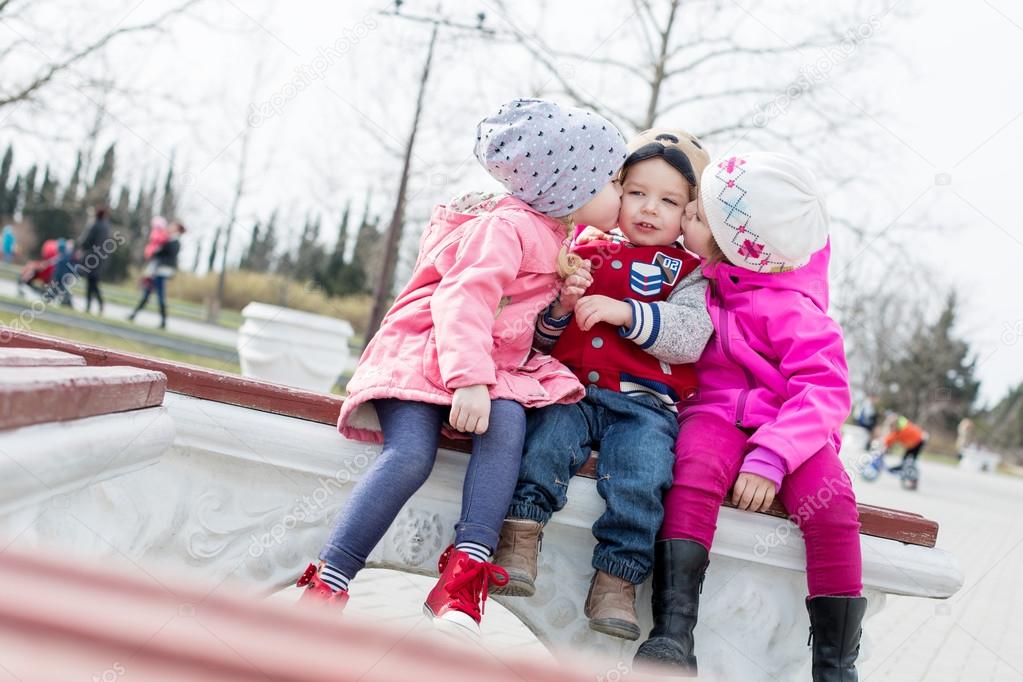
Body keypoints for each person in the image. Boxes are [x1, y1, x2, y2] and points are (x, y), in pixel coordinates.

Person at [294, 99, 629, 640]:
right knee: (410, 456)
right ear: (571, 186)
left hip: (485, 365)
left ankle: (462, 576)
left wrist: (559, 311)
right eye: (612, 180)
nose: (620, 192)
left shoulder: (554, 234)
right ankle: (329, 580)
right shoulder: (507, 227)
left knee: (510, 425)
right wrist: (469, 381)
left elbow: (521, 334)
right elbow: (462, 302)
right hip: (427, 353)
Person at [636, 152, 865, 680]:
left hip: (792, 432)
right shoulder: (700, 285)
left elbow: (825, 391)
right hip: (714, 415)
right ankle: (673, 631)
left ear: (729, 245)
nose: (685, 214)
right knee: (693, 472)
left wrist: (772, 456)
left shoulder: (795, 308)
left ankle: (835, 665)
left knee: (833, 508)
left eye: (696, 217)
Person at [491, 129, 714, 641]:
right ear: (615, 190)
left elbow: (687, 339)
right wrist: (561, 310)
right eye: (636, 192)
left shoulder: (689, 272)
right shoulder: (580, 247)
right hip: (569, 389)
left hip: (644, 404)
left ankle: (617, 577)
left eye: (669, 200)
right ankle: (521, 535)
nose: (649, 208)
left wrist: (624, 312)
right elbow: (541, 338)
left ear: (690, 214)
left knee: (643, 473)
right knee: (545, 441)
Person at [129, 220, 185, 329]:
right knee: (147, 293)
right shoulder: (168, 239)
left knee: (159, 296)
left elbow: (166, 255)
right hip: (156, 271)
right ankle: (134, 314)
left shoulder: (175, 242)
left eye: (173, 226)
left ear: (177, 229)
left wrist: (156, 251)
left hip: (161, 271)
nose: (170, 227)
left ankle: (162, 321)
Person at [77, 205, 111, 314]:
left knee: (91, 283)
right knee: (93, 282)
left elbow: (86, 240)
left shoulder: (94, 224)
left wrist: (79, 247)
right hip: (101, 258)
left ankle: (90, 305)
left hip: (91, 257)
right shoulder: (106, 226)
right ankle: (98, 304)